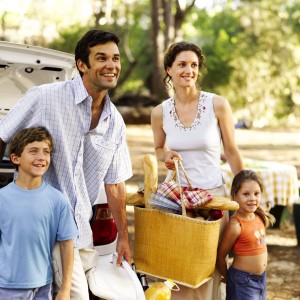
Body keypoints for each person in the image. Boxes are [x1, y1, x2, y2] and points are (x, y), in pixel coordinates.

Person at [0, 29, 133, 299]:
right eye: (102, 58)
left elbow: (115, 184)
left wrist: (125, 238)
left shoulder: (115, 122)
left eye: (116, 59)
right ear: (82, 65)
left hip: (81, 235)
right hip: (39, 229)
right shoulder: (44, 97)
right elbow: (2, 136)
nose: (111, 66)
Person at [151, 41, 244, 299]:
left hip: (213, 197)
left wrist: (243, 190)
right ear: (169, 69)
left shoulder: (218, 105)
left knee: (210, 265)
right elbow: (158, 149)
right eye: (182, 64)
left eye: (194, 65)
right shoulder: (160, 112)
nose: (189, 70)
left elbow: (232, 150)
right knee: (180, 264)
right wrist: (166, 155)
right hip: (177, 200)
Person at [0, 127, 78, 300]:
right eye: (33, 151)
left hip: (43, 287)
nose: (41, 157)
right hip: (6, 287)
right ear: (15, 158)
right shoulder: (2, 199)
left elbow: (67, 245)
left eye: (46, 152)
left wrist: (65, 289)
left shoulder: (57, 200)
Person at [216, 170, 275, 299]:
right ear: (235, 195)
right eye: (246, 194)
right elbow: (220, 256)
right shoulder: (236, 225)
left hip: (261, 279)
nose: (252, 198)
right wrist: (227, 277)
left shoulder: (259, 215)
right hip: (242, 281)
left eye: (256, 194)